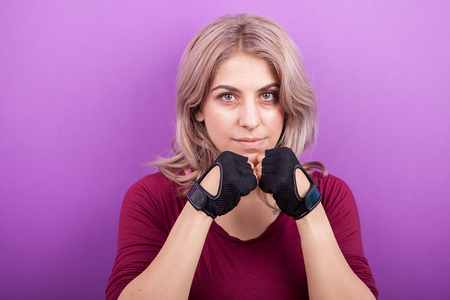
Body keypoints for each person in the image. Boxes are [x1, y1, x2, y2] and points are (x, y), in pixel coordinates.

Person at [106, 14, 378, 300]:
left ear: (287, 105)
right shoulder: (151, 199)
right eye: (228, 96)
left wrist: (308, 209)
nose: (250, 120)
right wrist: (201, 204)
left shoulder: (331, 196)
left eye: (268, 96)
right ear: (197, 106)